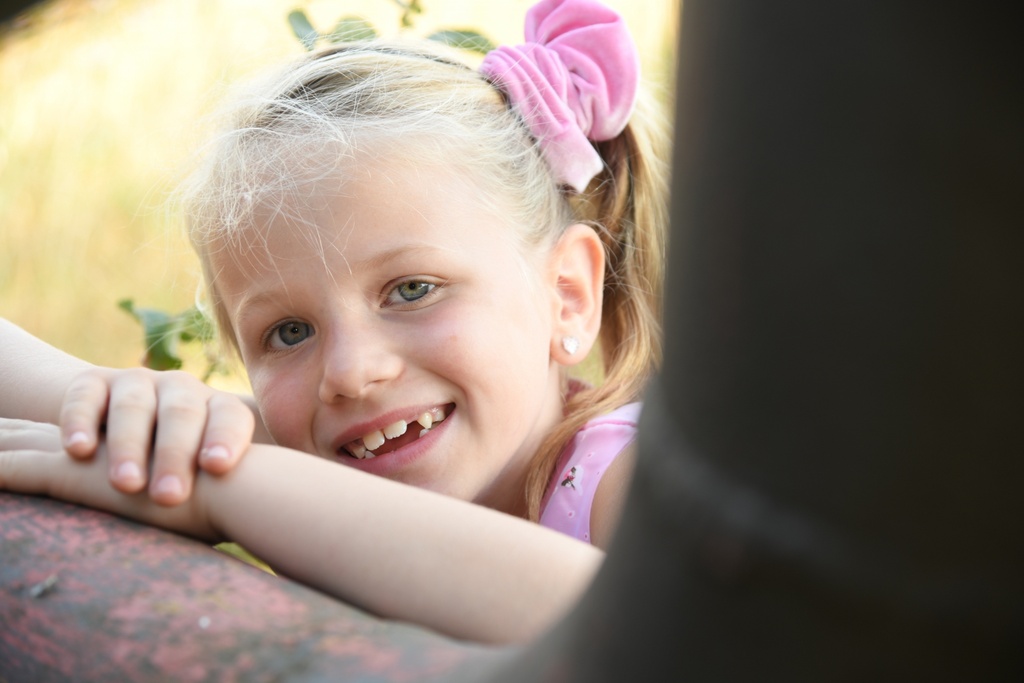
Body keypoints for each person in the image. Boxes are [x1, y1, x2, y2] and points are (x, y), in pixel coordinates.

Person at [0, 0, 668, 644]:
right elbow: (49, 382)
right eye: (289, 332)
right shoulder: (309, 453)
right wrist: (148, 423)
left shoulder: (625, 478)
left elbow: (619, 623)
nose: (350, 372)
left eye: (411, 289)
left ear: (568, 293)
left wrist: (225, 488)